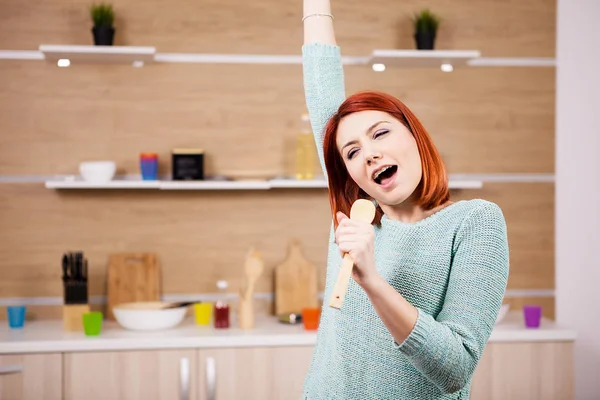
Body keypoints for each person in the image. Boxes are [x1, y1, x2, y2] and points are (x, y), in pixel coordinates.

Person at [300, 0, 510, 399]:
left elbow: (456, 368)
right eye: (352, 152)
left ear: (414, 135)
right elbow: (320, 84)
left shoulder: (474, 222)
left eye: (380, 134)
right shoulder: (354, 214)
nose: (369, 154)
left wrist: (373, 282)